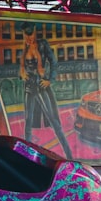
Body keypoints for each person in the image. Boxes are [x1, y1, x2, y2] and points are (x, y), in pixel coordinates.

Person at [20, 23, 72, 159]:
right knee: (28, 120)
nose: (29, 39)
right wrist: (22, 74)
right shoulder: (25, 47)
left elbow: (53, 62)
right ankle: (27, 156)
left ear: (35, 33)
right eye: (26, 37)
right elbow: (21, 67)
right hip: (29, 85)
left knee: (53, 120)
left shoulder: (42, 44)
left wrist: (50, 79)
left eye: (30, 36)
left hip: (41, 85)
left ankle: (69, 155)